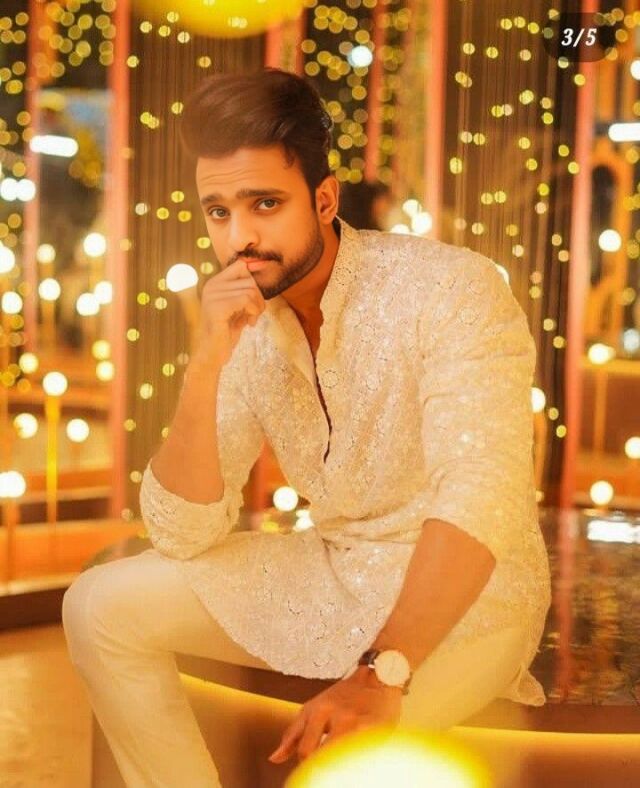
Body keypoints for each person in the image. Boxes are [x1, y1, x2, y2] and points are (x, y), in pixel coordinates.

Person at [62, 67, 552, 787]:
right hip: (336, 567)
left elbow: (482, 499)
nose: (240, 236)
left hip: (471, 600)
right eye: (219, 211)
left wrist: (380, 673)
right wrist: (206, 361)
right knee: (98, 605)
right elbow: (184, 532)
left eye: (265, 204)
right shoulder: (244, 320)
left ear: (324, 199)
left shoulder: (449, 288)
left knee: (336, 765)